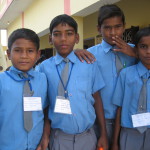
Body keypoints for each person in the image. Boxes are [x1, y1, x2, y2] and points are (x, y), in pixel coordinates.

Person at [38, 14, 108, 150]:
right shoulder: (43, 68)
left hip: (87, 136)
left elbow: (97, 98)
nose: (63, 39)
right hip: (58, 137)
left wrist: (103, 133)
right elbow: (45, 106)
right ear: (50, 39)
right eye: (57, 34)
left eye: (69, 34)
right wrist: (45, 135)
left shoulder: (89, 63)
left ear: (77, 38)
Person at [75, 4, 137, 149]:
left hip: (130, 122)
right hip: (102, 123)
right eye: (107, 28)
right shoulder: (89, 55)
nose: (113, 32)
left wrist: (135, 54)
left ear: (124, 26)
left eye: (118, 26)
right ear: (99, 29)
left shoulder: (137, 52)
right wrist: (75, 52)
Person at [0, 28, 50, 150]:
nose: (24, 56)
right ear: (9, 54)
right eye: (18, 50)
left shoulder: (43, 78)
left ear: (38, 55)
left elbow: (45, 110)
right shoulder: (1, 81)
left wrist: (45, 136)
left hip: (37, 145)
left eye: (30, 51)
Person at [111, 27, 150, 150]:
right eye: (143, 46)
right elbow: (119, 109)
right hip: (129, 132)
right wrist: (115, 142)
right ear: (136, 50)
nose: (148, 51)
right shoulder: (126, 74)